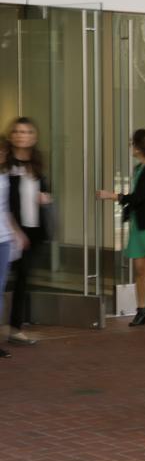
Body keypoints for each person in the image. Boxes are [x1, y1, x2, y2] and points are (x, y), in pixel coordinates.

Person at [97, 129, 145, 329]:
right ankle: (141, 311)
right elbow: (138, 198)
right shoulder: (138, 168)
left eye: (133, 144)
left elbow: (139, 196)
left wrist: (112, 195)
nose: (131, 147)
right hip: (139, 225)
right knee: (140, 271)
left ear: (140, 147)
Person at [6, 117, 51, 346]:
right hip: (11, 231)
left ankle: (16, 329)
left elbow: (45, 190)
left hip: (33, 231)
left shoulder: (36, 163)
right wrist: (14, 230)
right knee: (5, 279)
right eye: (17, 131)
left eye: (26, 131)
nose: (21, 135)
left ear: (33, 137)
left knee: (22, 279)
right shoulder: (7, 163)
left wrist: (46, 198)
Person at [0, 139, 28, 357]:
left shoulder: (4, 175)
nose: (1, 155)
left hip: (4, 239)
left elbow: (6, 208)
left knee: (0, 290)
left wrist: (16, 232)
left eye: (3, 152)